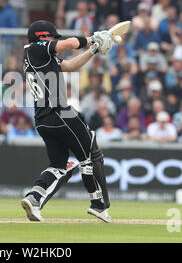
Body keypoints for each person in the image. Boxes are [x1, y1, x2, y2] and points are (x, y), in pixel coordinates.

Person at [21, 20, 114, 223]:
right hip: (61, 113)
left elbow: (71, 66)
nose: (55, 40)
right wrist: (92, 37)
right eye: (52, 37)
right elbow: (69, 43)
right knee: (90, 153)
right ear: (43, 37)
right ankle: (99, 204)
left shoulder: (38, 57)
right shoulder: (37, 49)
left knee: (58, 165)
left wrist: (94, 49)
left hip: (43, 119)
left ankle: (34, 198)